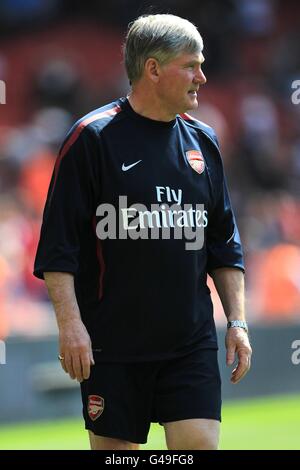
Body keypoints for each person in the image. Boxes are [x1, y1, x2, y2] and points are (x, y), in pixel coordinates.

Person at [34, 14, 252, 450]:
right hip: (112, 348)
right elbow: (59, 249)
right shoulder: (91, 139)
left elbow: (224, 247)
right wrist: (71, 327)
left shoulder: (204, 142)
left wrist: (237, 322)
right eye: (191, 65)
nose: (202, 77)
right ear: (153, 69)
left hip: (188, 344)